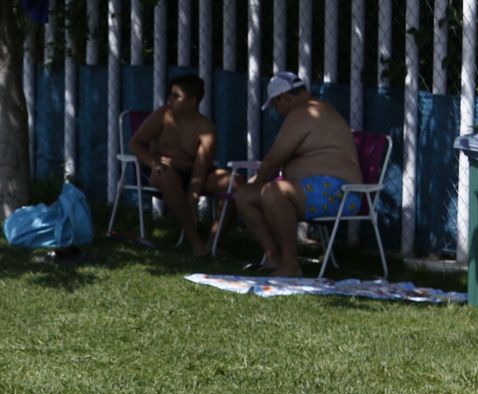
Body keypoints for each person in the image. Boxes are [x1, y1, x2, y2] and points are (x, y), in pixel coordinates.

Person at [233, 70, 363, 277]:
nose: (278, 111)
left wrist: (257, 181)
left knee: (273, 191)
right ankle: (273, 257)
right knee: (244, 196)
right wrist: (253, 186)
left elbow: (274, 160)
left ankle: (290, 264)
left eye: (276, 105)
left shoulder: (304, 112)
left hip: (340, 192)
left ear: (284, 97)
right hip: (314, 190)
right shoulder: (311, 111)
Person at [129, 74, 228, 256]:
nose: (170, 100)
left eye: (176, 96)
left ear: (192, 101)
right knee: (166, 177)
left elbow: (201, 167)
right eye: (170, 95)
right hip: (163, 169)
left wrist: (193, 196)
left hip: (194, 173)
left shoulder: (206, 128)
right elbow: (135, 143)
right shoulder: (162, 115)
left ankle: (214, 241)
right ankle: (195, 241)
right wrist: (153, 163)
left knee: (233, 182)